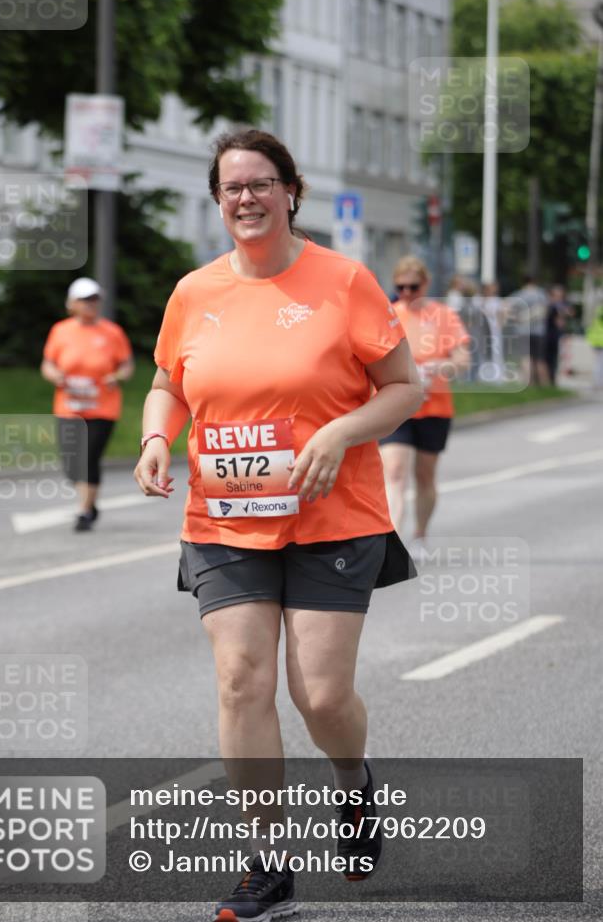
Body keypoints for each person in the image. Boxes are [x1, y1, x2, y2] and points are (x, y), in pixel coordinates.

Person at [134, 129, 422, 922]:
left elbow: (403, 386)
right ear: (216, 199)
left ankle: (353, 783)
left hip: (333, 517)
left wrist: (338, 433)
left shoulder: (343, 281)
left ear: (290, 191)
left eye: (261, 183)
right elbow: (168, 384)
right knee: (240, 680)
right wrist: (156, 437)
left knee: (320, 697)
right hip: (224, 521)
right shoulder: (194, 292)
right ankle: (266, 863)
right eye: (232, 187)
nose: (247, 199)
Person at [379, 256, 470, 546]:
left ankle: (420, 534)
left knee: (425, 476)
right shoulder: (388, 314)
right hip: (396, 406)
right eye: (400, 287)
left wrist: (441, 367)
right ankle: (393, 543)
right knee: (394, 471)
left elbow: (462, 359)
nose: (406, 293)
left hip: (434, 406)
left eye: (413, 287)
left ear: (426, 284)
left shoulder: (443, 316)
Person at [41, 277, 134, 531]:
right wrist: (55, 375)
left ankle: (83, 511)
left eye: (94, 299)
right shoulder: (60, 331)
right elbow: (48, 363)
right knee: (71, 463)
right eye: (84, 299)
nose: (90, 304)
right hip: (69, 407)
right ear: (72, 303)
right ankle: (90, 503)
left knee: (89, 457)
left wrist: (117, 376)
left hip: (102, 407)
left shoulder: (112, 332)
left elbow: (126, 365)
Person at [505, 275, 548, 386]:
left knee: (525, 358)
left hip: (522, 331)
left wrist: (516, 318)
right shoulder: (540, 294)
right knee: (539, 359)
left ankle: (528, 383)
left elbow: (506, 306)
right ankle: (544, 385)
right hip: (538, 331)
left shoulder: (519, 294)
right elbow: (544, 310)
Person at [544, 284, 572, 386]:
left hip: (555, 335)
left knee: (553, 358)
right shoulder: (550, 305)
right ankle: (548, 379)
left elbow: (569, 314)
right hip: (549, 335)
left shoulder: (559, 305)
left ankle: (551, 379)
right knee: (548, 358)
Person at [586, 303, 603, 390]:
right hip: (601, 341)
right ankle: (599, 383)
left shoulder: (598, 310)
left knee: (598, 363)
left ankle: (597, 383)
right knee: (600, 363)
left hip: (596, 340)